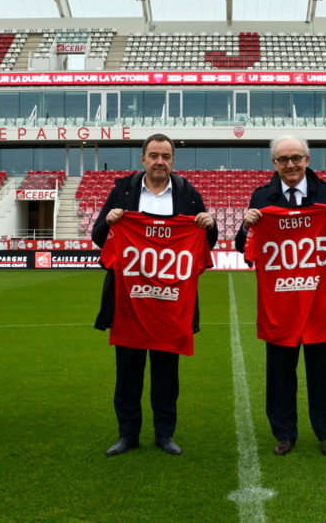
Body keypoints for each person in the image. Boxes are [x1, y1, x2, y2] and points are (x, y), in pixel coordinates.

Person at [92, 134, 218, 456]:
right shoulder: (123, 189)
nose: (160, 161)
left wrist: (209, 224)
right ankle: (127, 435)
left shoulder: (188, 193)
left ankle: (165, 434)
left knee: (166, 375)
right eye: (154, 155)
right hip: (130, 301)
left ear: (173, 161)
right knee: (127, 374)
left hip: (171, 303)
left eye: (166, 156)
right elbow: (98, 237)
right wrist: (109, 221)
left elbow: (207, 242)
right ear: (143, 159)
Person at [235, 135, 326, 457]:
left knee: (324, 375)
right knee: (279, 376)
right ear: (273, 164)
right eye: (283, 160)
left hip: (321, 303)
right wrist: (246, 225)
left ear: (307, 159)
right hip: (280, 305)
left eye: (296, 158)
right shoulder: (262, 196)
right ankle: (284, 434)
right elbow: (244, 249)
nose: (290, 165)